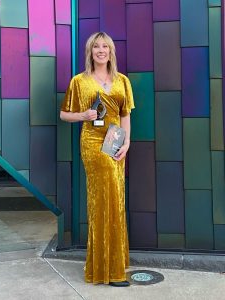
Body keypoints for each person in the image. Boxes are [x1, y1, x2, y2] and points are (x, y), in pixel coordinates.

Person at [60, 32, 135, 286]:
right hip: (92, 144)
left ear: (111, 51)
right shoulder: (79, 82)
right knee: (104, 200)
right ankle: (107, 270)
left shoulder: (122, 81)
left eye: (105, 46)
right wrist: (83, 115)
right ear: (90, 52)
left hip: (115, 142)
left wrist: (126, 142)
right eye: (96, 47)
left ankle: (114, 262)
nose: (101, 50)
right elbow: (63, 114)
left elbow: (125, 115)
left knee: (115, 198)